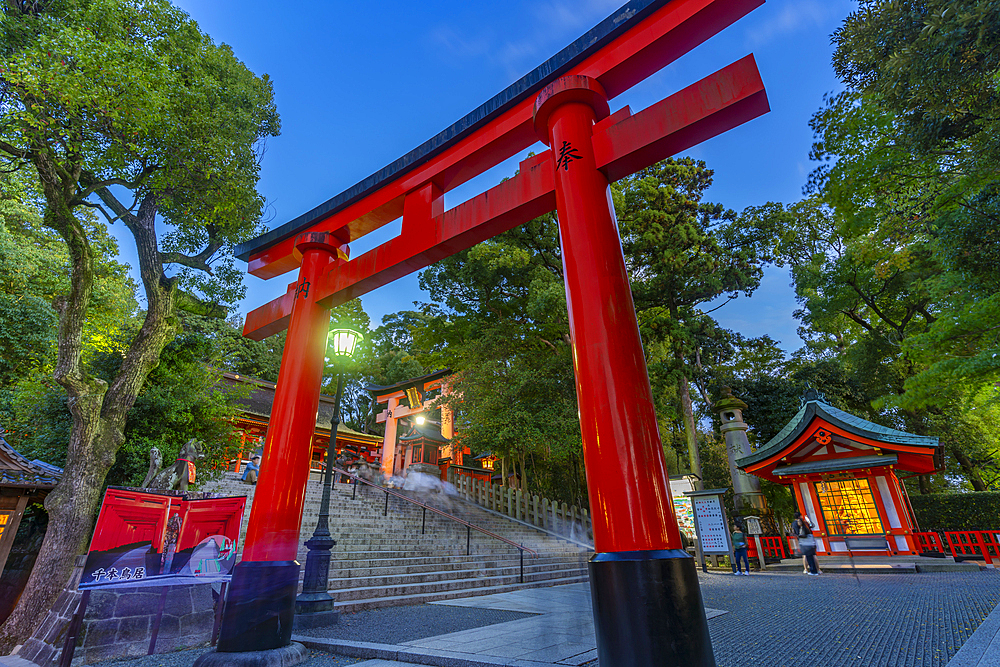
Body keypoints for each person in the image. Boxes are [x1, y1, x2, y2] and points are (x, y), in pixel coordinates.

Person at [792, 511, 820, 575]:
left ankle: (807, 569)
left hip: (803, 541)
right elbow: (812, 525)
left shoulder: (794, 524)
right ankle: (817, 569)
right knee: (812, 555)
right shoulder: (805, 523)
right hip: (809, 541)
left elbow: (795, 533)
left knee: (806, 556)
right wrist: (808, 520)